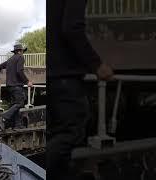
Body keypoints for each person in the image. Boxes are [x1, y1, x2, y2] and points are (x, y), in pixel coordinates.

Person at [48, 0, 114, 179]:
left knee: (57, 134)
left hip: (53, 76)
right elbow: (71, 28)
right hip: (65, 74)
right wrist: (96, 64)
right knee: (70, 133)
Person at [0, 44, 33, 130]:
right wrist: (27, 81)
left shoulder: (10, 60)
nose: (23, 53)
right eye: (22, 51)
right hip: (16, 86)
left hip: (10, 86)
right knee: (19, 104)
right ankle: (3, 117)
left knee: (15, 105)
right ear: (20, 51)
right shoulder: (20, 57)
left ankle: (17, 125)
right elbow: (20, 71)